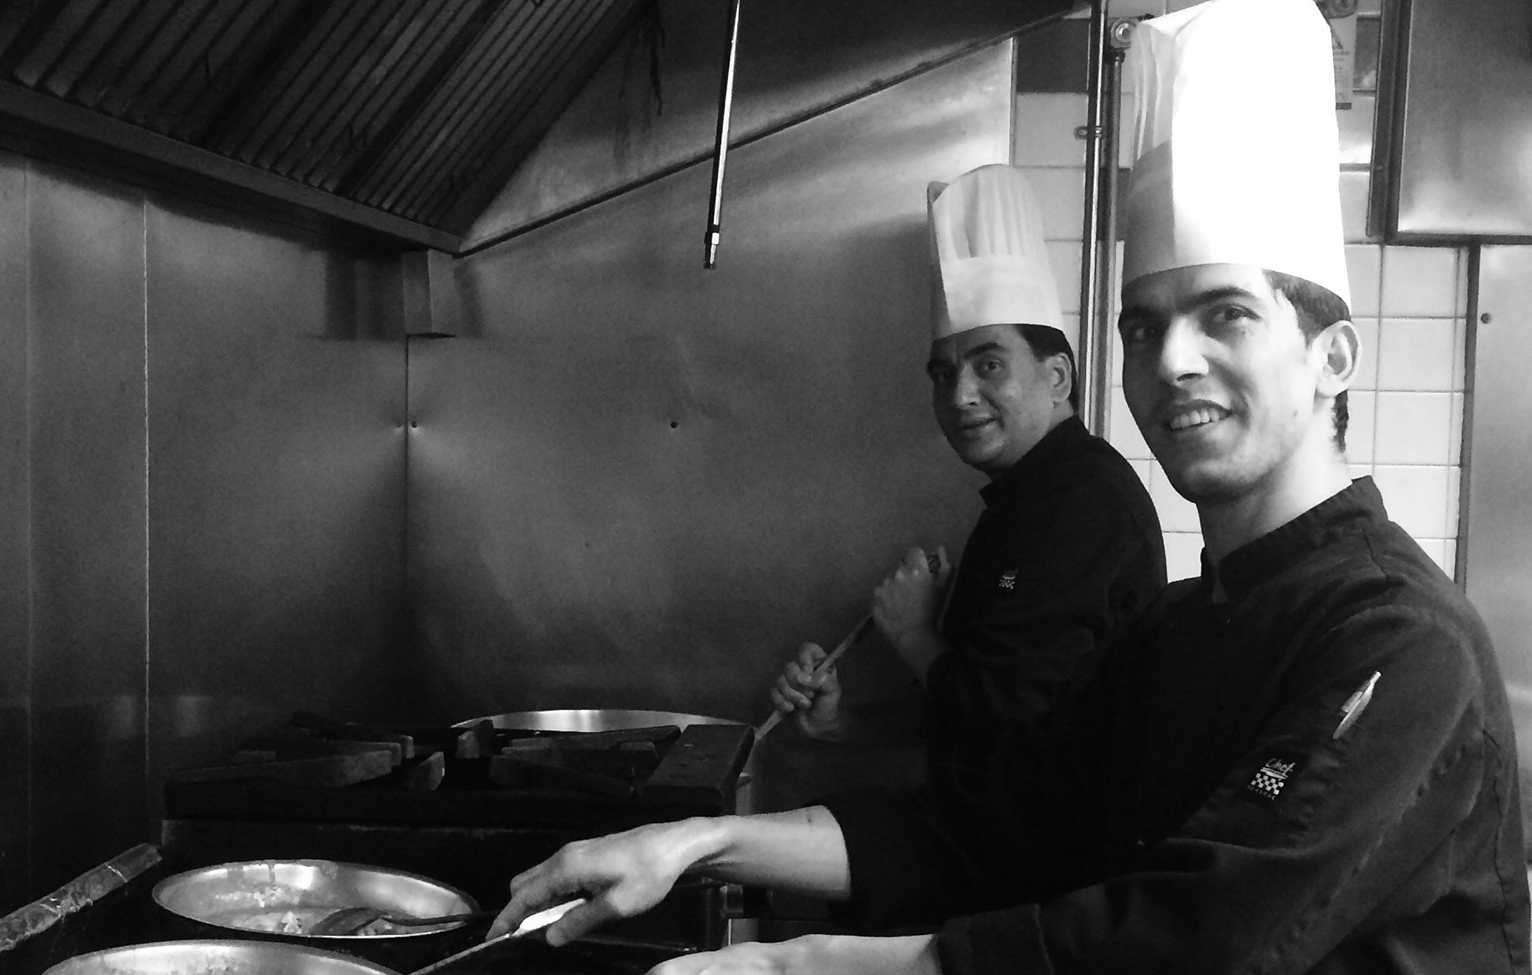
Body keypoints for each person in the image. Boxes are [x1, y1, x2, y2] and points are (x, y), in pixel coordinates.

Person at [489, 1, 1529, 972]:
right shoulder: (1177, 632)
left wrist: (810, 960)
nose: (1171, 361)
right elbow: (987, 827)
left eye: (1226, 315)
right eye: (1143, 323)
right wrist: (691, 841)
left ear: (1333, 357)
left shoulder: (1398, 645)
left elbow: (1198, 939)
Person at [768, 165, 1165, 786]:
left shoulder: (1083, 505)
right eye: (944, 374)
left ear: (1057, 376)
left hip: (1057, 871)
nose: (960, 396)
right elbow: (970, 714)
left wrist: (914, 631)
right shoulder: (1019, 503)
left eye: (989, 364)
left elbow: (1012, 728)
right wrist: (843, 721)